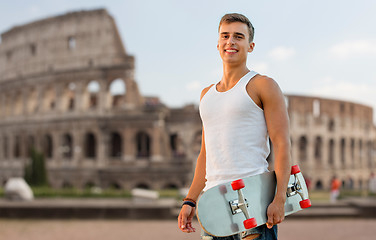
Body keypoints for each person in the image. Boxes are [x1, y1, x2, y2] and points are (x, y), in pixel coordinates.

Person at [178, 13, 291, 240]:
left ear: (250, 46)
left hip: (254, 203)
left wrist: (280, 198)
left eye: (238, 37)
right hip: (214, 205)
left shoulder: (263, 85)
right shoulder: (206, 95)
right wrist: (190, 199)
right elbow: (206, 153)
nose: (231, 41)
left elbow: (282, 143)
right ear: (218, 44)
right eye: (225, 36)